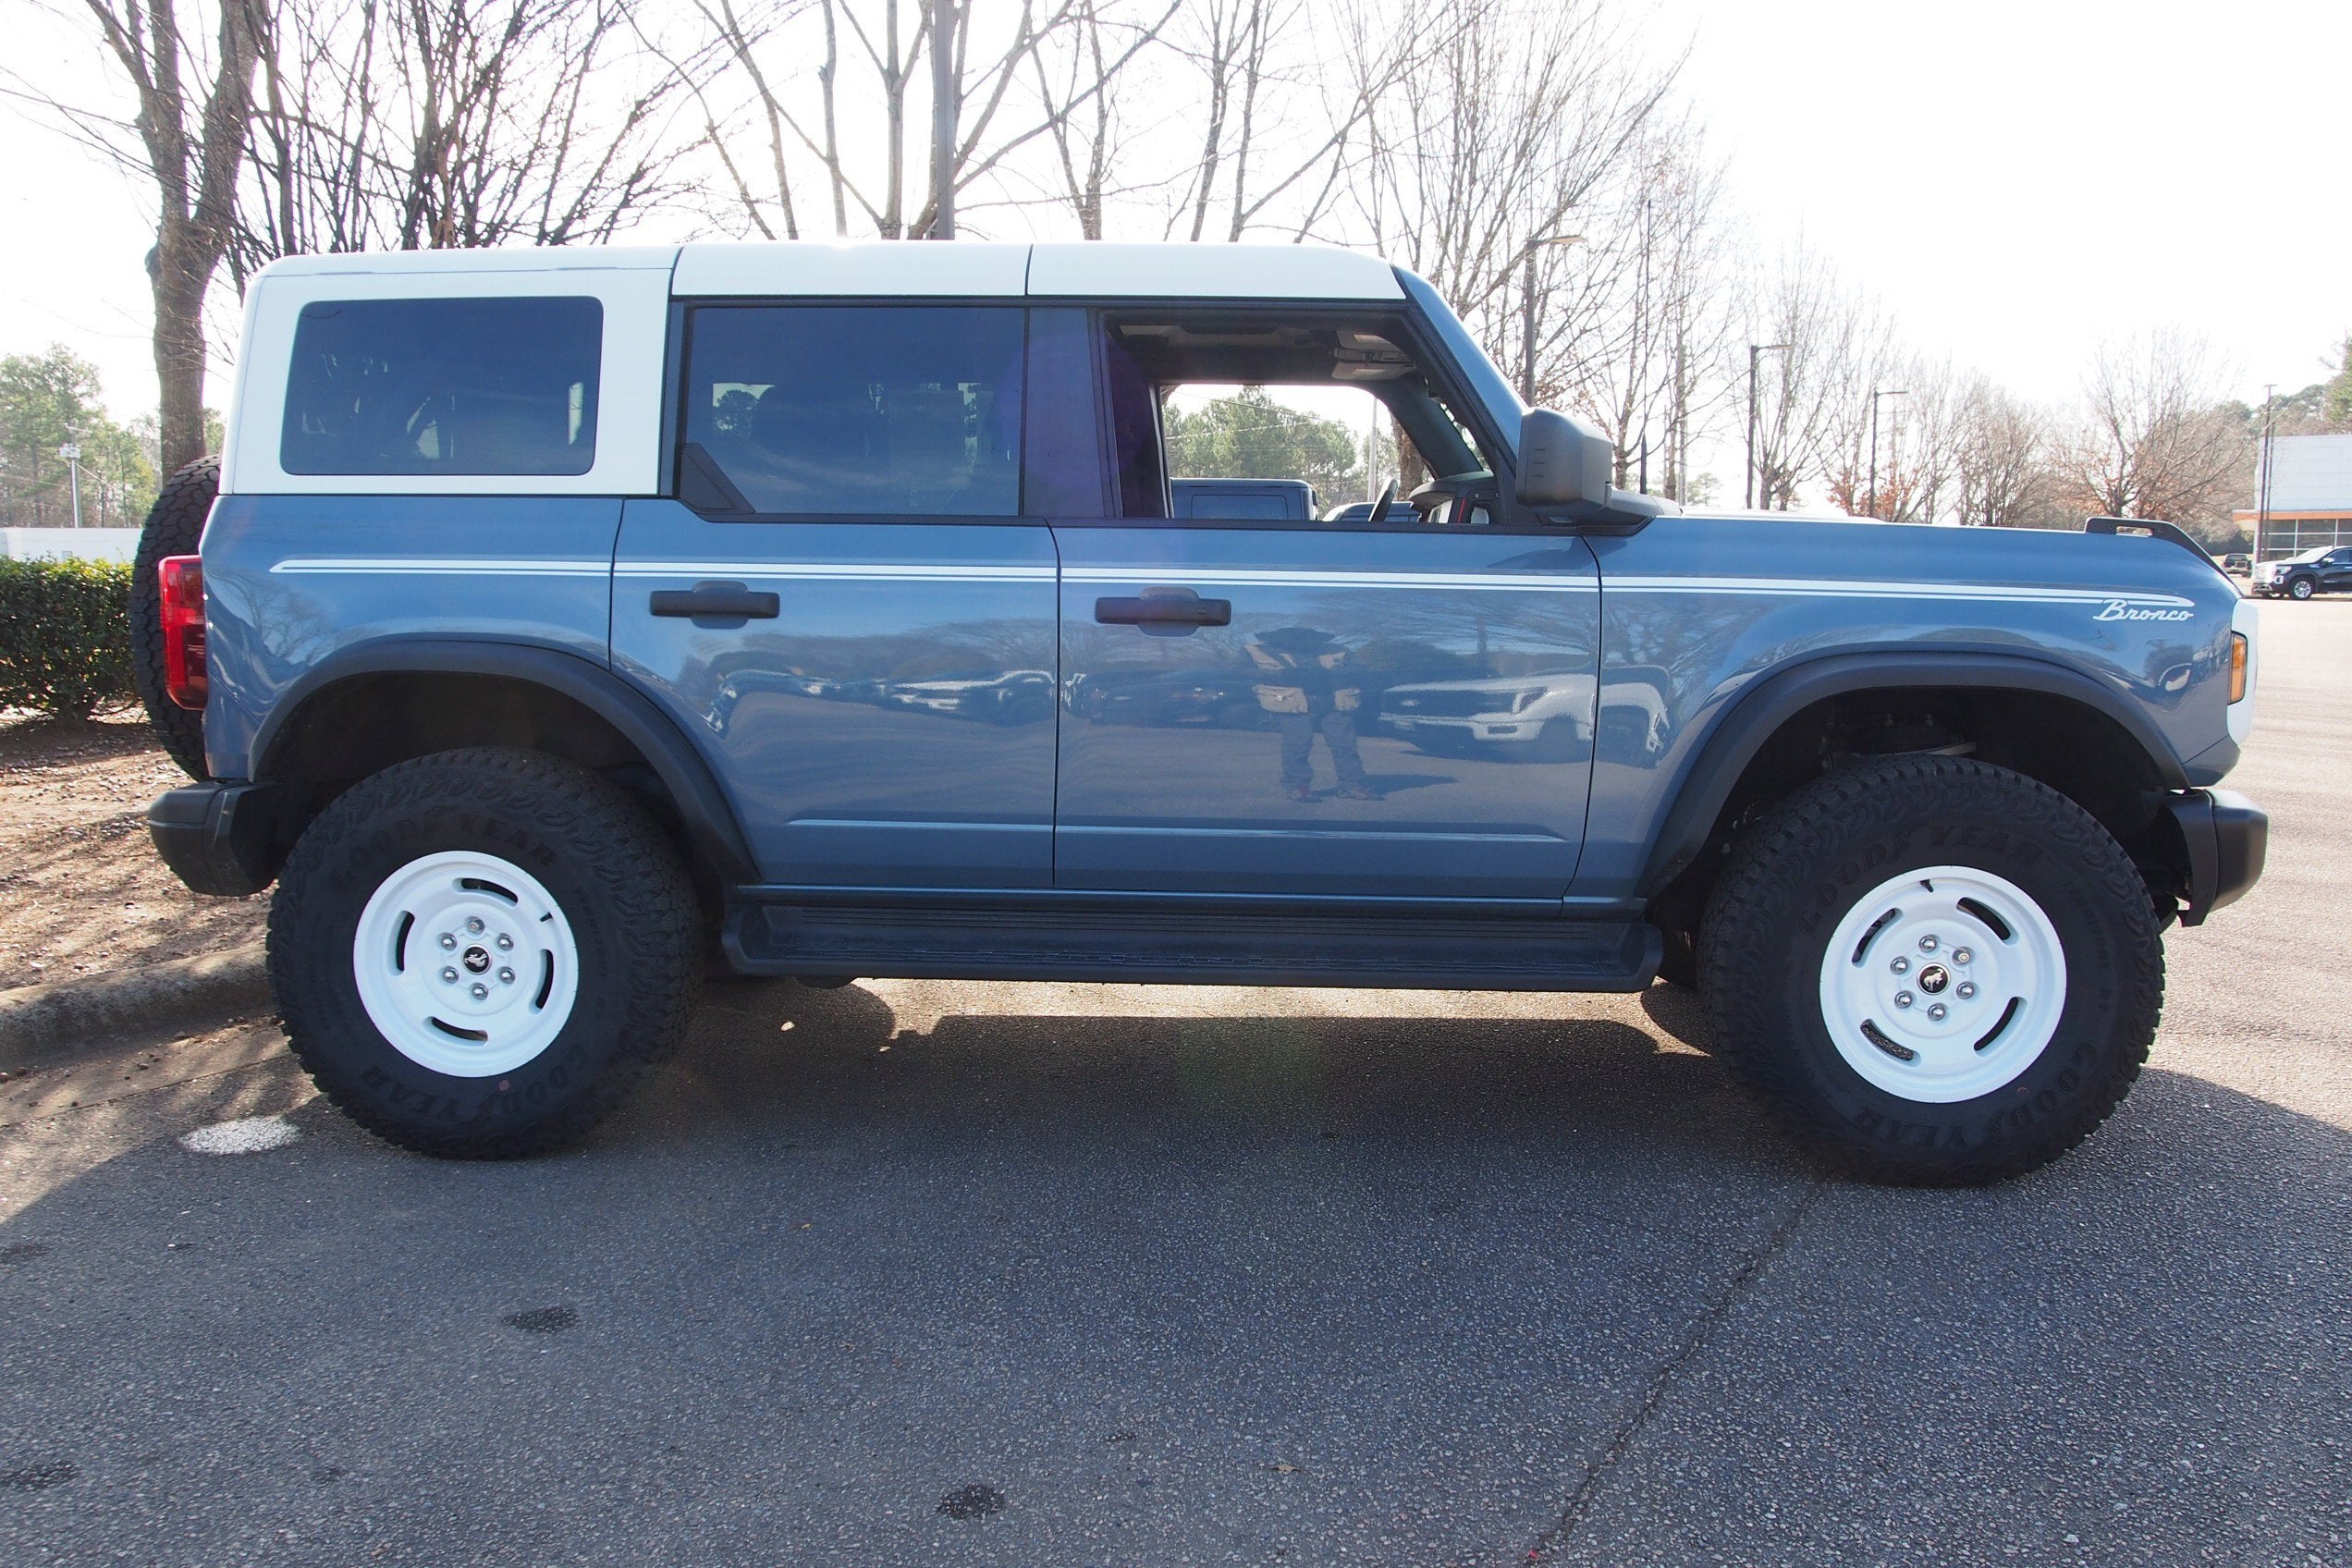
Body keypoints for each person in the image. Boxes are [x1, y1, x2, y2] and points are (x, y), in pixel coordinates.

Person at [1248, 627, 1378, 802]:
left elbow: (1360, 669)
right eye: (1294, 640)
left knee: (1346, 746)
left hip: (1335, 703)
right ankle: (1298, 786)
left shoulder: (1338, 650)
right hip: (1291, 704)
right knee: (1298, 746)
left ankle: (1352, 785)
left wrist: (1330, 674)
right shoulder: (1255, 651)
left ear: (1318, 640)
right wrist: (1280, 675)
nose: (1300, 643)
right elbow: (1236, 671)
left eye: (1306, 640)